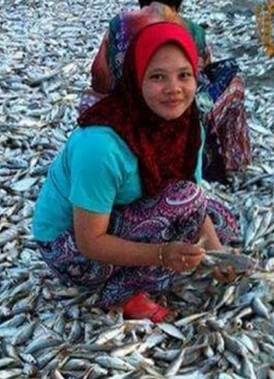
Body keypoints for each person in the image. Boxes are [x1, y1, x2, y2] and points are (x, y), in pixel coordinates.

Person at [33, 22, 241, 323]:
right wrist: (162, 254)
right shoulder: (101, 146)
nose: (174, 89)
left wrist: (217, 255)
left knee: (221, 221)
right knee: (186, 205)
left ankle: (154, 260)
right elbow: (90, 241)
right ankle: (121, 292)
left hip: (124, 214)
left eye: (184, 75)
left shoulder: (188, 127)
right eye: (157, 76)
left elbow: (195, 205)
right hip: (71, 248)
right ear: (136, 78)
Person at [81, 0, 251, 183]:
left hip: (126, 108)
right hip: (177, 114)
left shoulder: (119, 24)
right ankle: (231, 161)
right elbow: (200, 76)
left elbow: (99, 77)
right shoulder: (193, 31)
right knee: (233, 76)